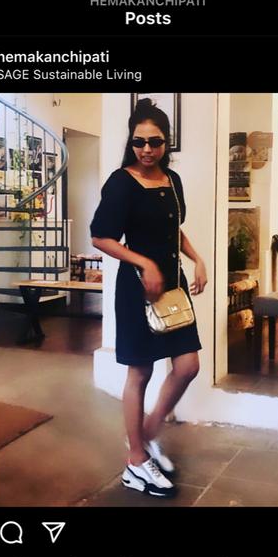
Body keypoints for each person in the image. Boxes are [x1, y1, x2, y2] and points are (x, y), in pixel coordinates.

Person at [91, 98, 207, 498]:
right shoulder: (121, 182)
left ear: (166, 142)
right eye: (139, 142)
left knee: (188, 365)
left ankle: (147, 431)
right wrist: (144, 263)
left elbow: (175, 229)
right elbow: (101, 237)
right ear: (131, 142)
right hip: (138, 289)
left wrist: (197, 259)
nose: (146, 149)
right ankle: (136, 461)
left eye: (154, 142)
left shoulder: (172, 181)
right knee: (139, 373)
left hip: (173, 286)